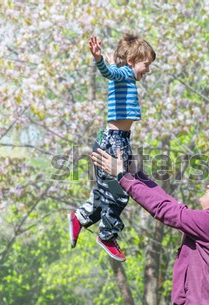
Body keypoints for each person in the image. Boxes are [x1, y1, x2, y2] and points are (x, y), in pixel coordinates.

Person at [90, 148, 209, 305]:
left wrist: (123, 176)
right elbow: (170, 204)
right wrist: (136, 175)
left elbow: (166, 210)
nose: (208, 186)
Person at [68, 34, 156, 262]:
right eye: (146, 64)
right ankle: (106, 236)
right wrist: (99, 60)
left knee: (106, 192)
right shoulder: (124, 73)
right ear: (131, 61)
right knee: (118, 194)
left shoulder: (126, 76)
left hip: (120, 139)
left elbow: (114, 72)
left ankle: (80, 217)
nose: (147, 70)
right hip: (114, 141)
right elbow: (110, 72)